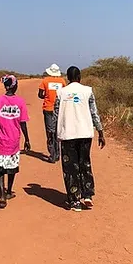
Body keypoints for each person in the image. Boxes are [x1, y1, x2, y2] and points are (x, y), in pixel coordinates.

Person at [53, 66, 106, 212]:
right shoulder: (88, 91)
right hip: (85, 134)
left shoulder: (61, 92)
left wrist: (54, 134)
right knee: (85, 163)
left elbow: (56, 115)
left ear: (68, 78)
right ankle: (88, 194)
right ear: (80, 77)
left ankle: (75, 200)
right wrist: (100, 132)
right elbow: (94, 113)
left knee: (70, 168)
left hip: (67, 135)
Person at [0, 75, 31, 209]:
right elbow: (23, 123)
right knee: (11, 167)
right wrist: (27, 139)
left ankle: (2, 194)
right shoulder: (20, 102)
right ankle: (9, 191)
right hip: (13, 140)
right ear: (15, 86)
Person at [38, 64, 66, 163]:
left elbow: (40, 95)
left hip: (48, 109)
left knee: (50, 131)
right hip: (59, 109)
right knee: (57, 131)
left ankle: (52, 154)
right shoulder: (62, 81)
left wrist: (47, 96)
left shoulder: (45, 81)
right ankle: (58, 153)